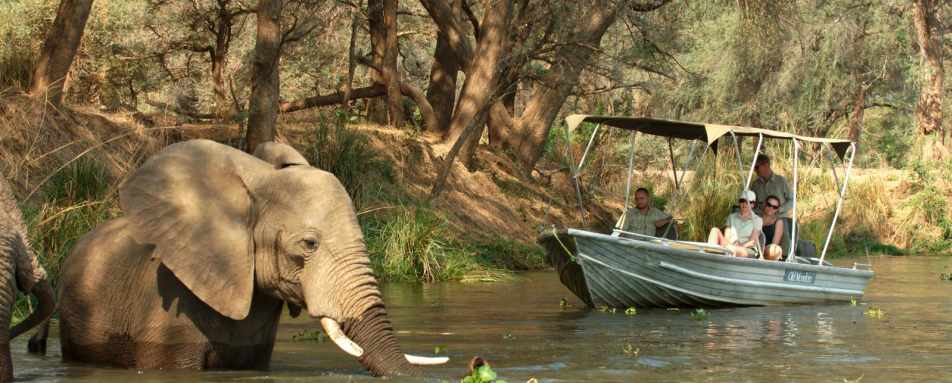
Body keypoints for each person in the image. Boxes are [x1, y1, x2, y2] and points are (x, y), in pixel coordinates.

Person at [708, 190, 763, 258]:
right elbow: (727, 237)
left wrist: (739, 246)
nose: (745, 204)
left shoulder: (757, 220)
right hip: (729, 246)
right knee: (714, 230)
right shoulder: (732, 217)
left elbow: (752, 242)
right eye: (742, 201)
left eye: (748, 202)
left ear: (753, 204)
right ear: (739, 202)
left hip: (747, 249)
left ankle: (717, 254)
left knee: (731, 249)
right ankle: (709, 256)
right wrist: (730, 245)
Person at [761, 195, 786, 260]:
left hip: (769, 252)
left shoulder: (778, 222)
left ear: (777, 209)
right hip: (755, 247)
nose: (771, 208)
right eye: (769, 205)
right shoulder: (757, 219)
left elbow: (774, 245)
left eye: (775, 207)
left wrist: (764, 251)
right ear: (765, 204)